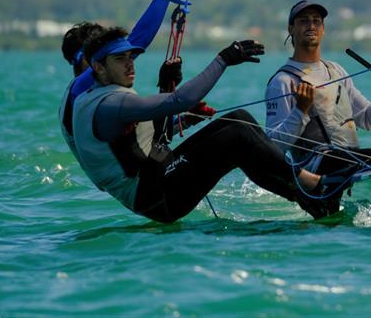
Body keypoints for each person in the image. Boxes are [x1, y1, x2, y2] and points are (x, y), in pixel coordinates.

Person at [71, 26, 330, 222]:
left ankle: (307, 199)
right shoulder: (109, 104)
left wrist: (186, 118)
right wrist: (224, 59)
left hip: (156, 178)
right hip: (155, 197)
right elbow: (181, 99)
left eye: (131, 56)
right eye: (119, 59)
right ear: (99, 67)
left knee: (238, 119)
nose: (130, 64)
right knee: (238, 135)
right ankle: (311, 184)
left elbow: (147, 140)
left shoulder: (99, 95)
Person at [59, 0, 200, 163]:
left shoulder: (93, 94)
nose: (120, 55)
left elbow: (148, 136)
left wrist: (186, 119)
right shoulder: (80, 87)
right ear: (87, 60)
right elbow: (137, 41)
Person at [265, 0, 371, 181]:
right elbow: (273, 146)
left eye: (316, 21)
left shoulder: (336, 71)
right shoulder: (282, 81)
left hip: (352, 160)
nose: (311, 25)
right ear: (291, 29)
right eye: (304, 21)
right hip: (316, 170)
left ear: (323, 30)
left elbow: (369, 120)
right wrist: (300, 111)